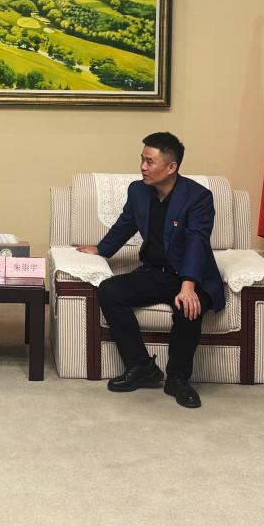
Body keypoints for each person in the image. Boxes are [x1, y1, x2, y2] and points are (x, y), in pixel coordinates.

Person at [76, 132, 224, 408]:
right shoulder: (138, 191)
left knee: (188, 308)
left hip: (190, 275)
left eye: (150, 162)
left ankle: (177, 378)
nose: (143, 167)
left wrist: (188, 285)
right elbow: (126, 223)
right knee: (110, 291)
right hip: (155, 273)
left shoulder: (198, 197)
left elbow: (197, 242)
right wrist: (101, 249)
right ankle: (141, 366)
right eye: (142, 160)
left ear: (171, 167)